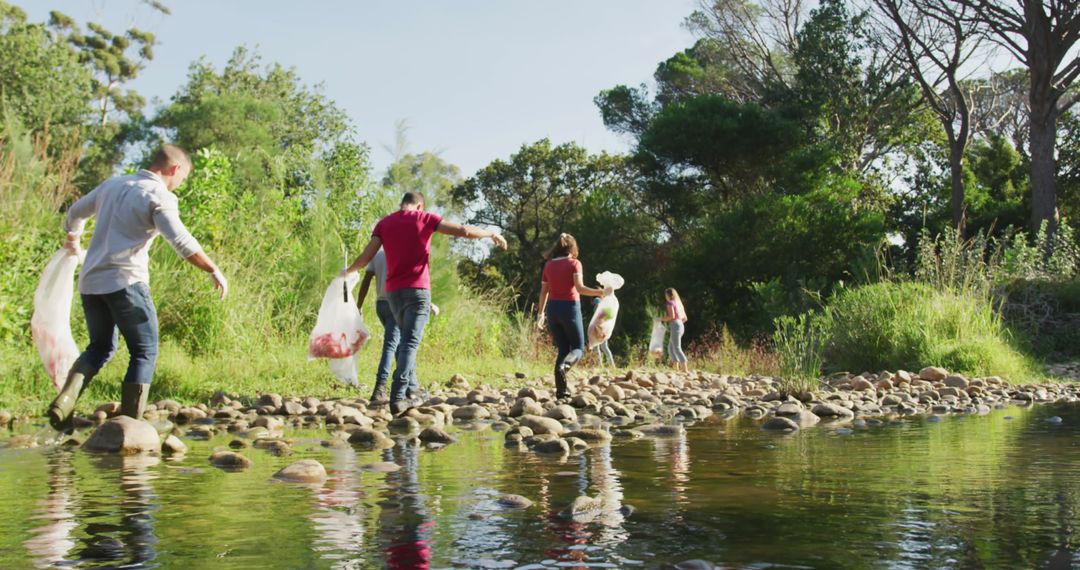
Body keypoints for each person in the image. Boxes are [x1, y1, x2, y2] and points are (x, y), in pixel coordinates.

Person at [47, 145, 227, 431]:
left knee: (99, 347)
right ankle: (131, 428)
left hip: (91, 283)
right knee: (144, 350)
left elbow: (75, 213)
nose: (180, 183)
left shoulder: (113, 184)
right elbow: (181, 241)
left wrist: (75, 237)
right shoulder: (158, 195)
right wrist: (212, 269)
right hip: (126, 283)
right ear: (175, 170)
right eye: (182, 177)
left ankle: (63, 403)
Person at [342, 192, 506, 415]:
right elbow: (464, 231)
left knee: (403, 343)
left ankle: (411, 391)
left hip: (393, 293)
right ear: (420, 205)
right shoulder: (424, 218)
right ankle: (398, 397)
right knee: (409, 343)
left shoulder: (384, 223)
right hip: (418, 291)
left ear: (403, 204)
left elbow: (365, 257)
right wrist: (490, 233)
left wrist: (348, 271)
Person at [536, 233, 608, 400]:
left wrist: (540, 314)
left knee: (562, 349)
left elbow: (543, 293)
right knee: (578, 348)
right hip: (570, 308)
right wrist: (601, 292)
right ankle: (564, 368)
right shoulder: (575, 263)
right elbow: (580, 288)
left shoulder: (548, 266)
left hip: (553, 310)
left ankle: (561, 391)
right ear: (573, 248)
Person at [356, 248, 421, 405]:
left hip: (381, 305)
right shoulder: (401, 252)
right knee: (392, 345)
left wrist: (359, 305)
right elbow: (410, 281)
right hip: (395, 303)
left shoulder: (377, 255)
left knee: (400, 345)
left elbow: (366, 279)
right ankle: (380, 387)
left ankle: (411, 386)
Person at [661, 287, 689, 372]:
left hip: (675, 325)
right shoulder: (679, 303)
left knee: (676, 348)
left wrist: (661, 319)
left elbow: (671, 316)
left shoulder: (670, 302)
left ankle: (684, 368)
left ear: (668, 295)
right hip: (680, 325)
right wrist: (678, 324)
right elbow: (685, 318)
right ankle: (675, 367)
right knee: (670, 347)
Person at [588, 297, 615, 368]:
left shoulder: (602, 311)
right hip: (598, 330)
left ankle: (610, 365)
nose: (596, 306)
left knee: (603, 347)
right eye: (596, 304)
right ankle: (601, 365)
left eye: (597, 304)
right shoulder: (599, 310)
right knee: (597, 348)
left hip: (601, 331)